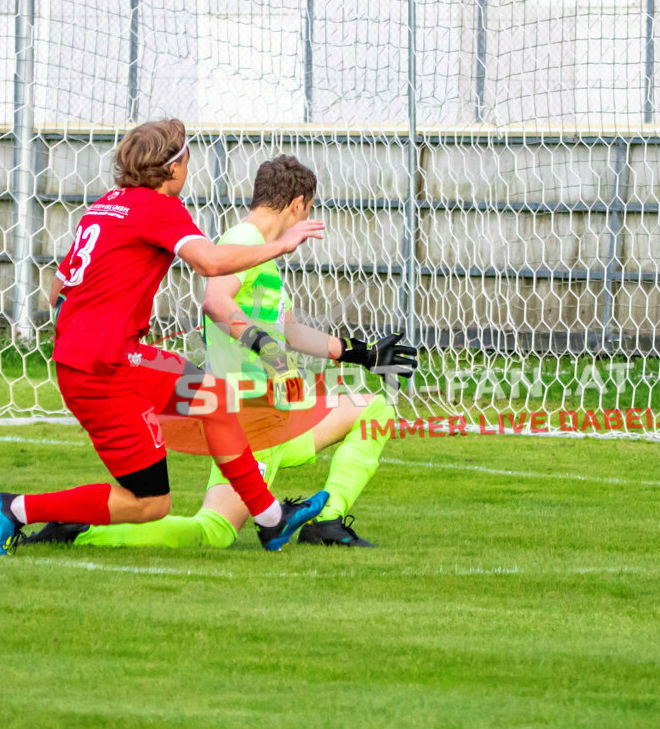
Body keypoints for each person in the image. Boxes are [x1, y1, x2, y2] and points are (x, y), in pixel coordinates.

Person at [22, 155, 417, 551]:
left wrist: (361, 354)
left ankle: (326, 522)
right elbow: (216, 301)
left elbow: (291, 330)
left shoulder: (261, 252)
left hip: (279, 409)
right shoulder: (243, 241)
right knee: (214, 531)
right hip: (250, 416)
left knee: (372, 410)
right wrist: (269, 352)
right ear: (298, 204)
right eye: (309, 208)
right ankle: (81, 529)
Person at [0, 121, 328, 556]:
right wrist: (282, 245)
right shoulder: (159, 207)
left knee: (214, 399)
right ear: (173, 167)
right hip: (105, 370)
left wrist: (93, 328)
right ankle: (15, 509)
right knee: (150, 503)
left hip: (106, 356)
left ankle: (271, 519)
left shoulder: (105, 205)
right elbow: (209, 262)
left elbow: (57, 291)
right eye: (187, 158)